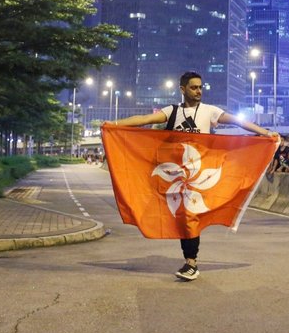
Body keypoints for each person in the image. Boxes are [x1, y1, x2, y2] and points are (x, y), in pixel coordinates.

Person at [104, 70, 277, 281]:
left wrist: (265, 133)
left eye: (200, 87)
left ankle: (191, 262)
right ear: (182, 89)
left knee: (189, 217)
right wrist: (115, 125)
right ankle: (189, 261)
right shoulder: (173, 111)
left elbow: (237, 122)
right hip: (174, 175)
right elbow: (144, 119)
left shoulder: (209, 111)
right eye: (194, 87)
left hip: (199, 175)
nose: (198, 91)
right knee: (181, 218)